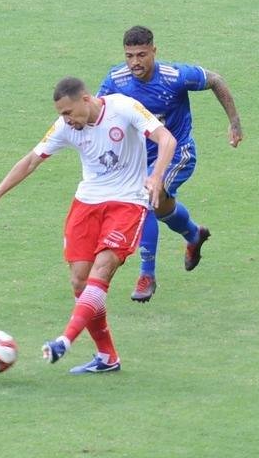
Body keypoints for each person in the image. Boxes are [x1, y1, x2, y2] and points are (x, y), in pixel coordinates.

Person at [0, 77, 176, 374]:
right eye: (61, 114)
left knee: (102, 270)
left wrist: (156, 176)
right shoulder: (66, 127)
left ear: (86, 99)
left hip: (127, 203)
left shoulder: (123, 107)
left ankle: (64, 341)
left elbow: (166, 139)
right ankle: (107, 358)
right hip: (86, 205)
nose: (65, 119)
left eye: (68, 112)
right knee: (80, 282)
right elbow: (31, 160)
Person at [97, 26, 243, 303]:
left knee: (148, 199)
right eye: (129, 56)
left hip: (178, 154)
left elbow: (216, 80)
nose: (135, 62)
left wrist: (234, 122)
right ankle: (193, 233)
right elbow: (100, 108)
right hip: (140, 161)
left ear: (154, 51)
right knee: (162, 209)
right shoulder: (117, 79)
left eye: (141, 54)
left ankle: (147, 275)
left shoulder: (174, 77)